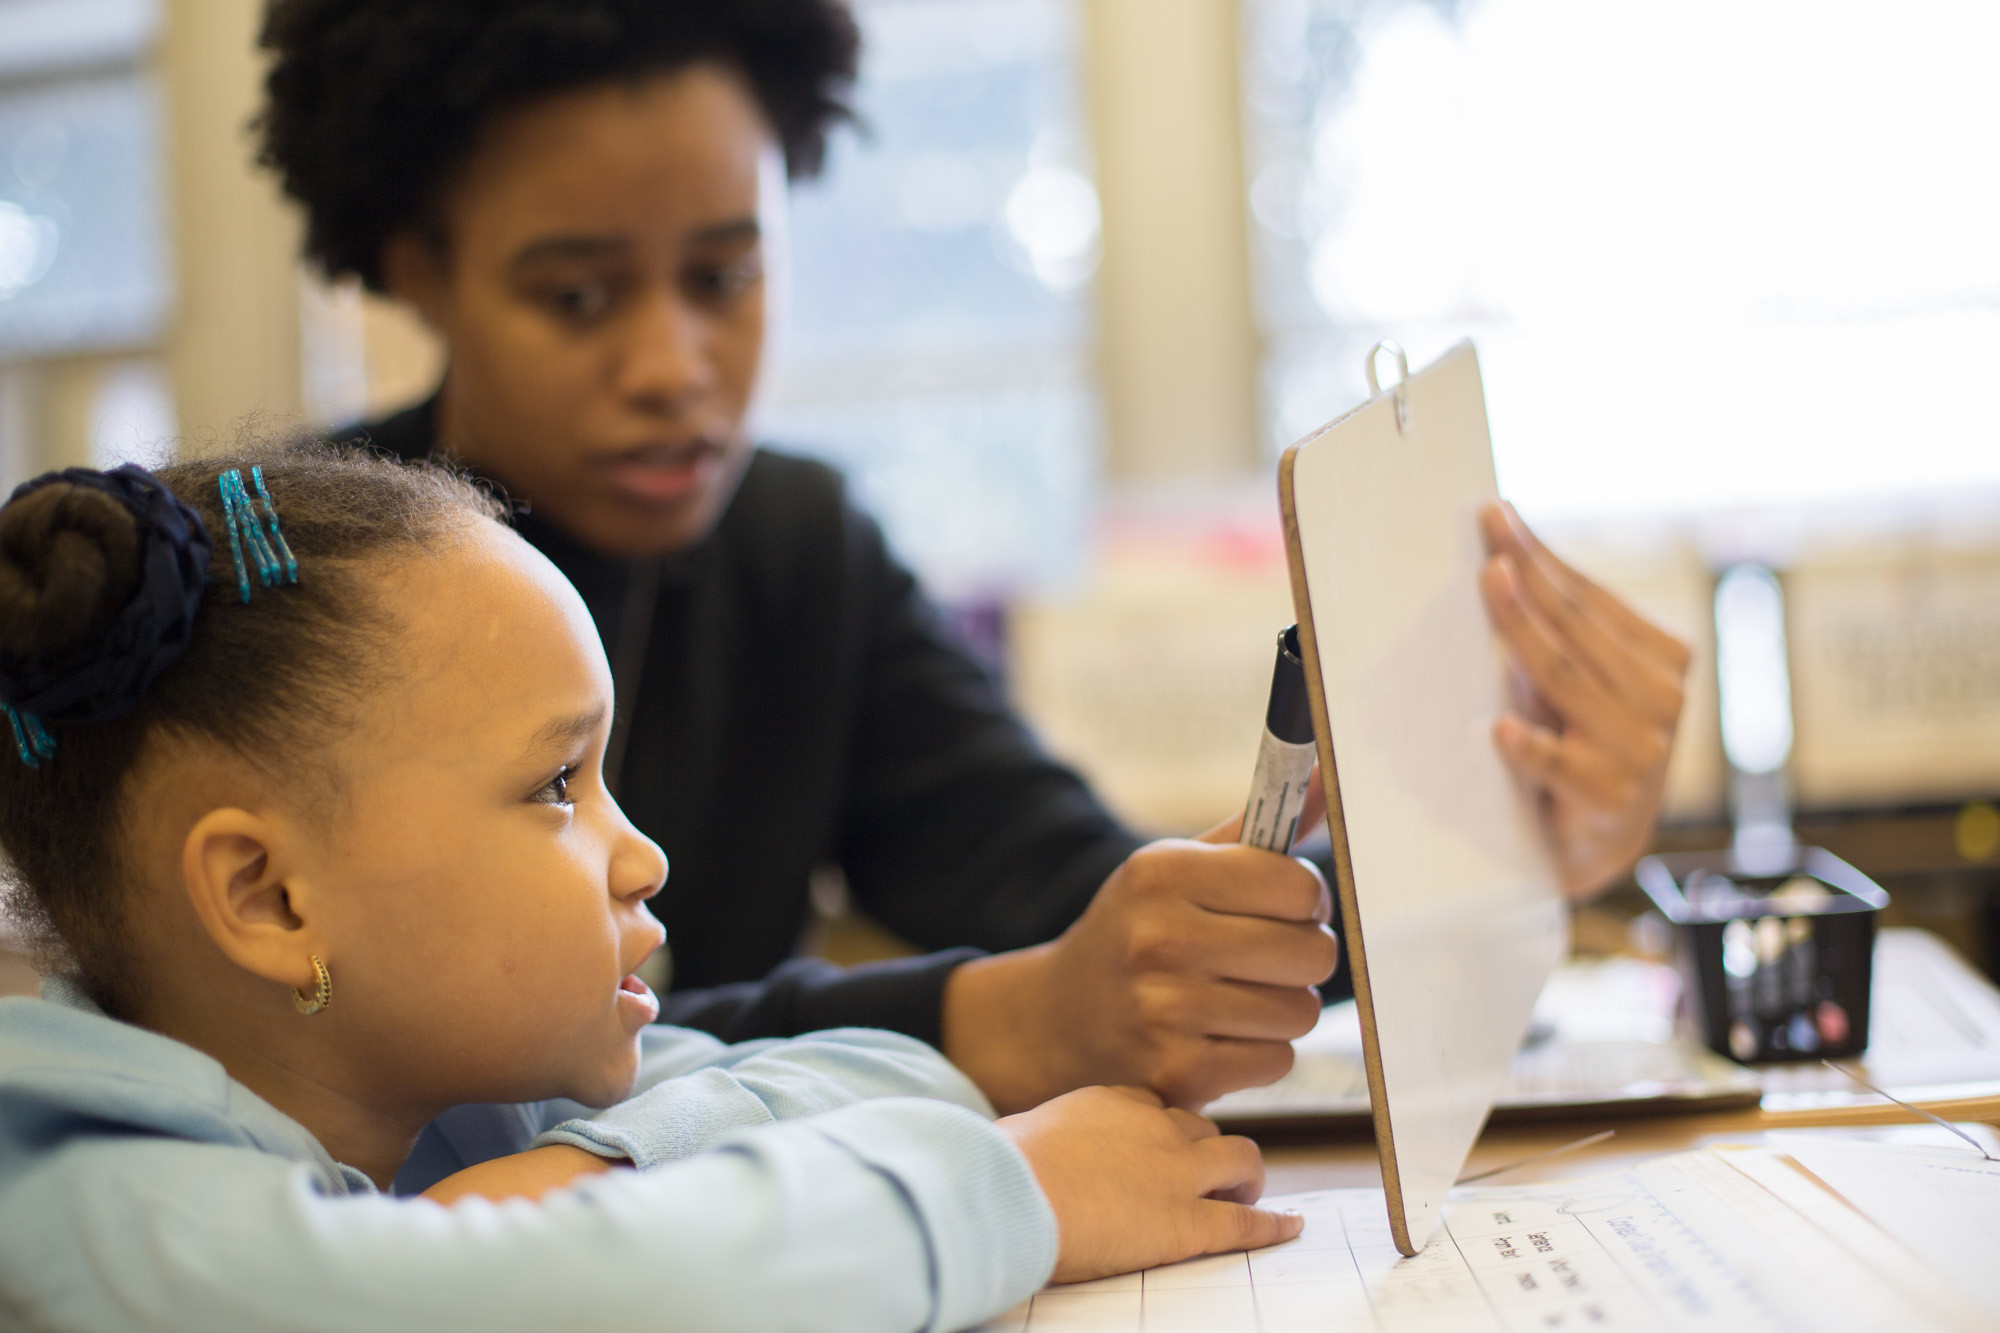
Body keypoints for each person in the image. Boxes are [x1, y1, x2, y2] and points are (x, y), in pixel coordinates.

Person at [256, 0, 1691, 1115]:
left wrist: (1490, 836)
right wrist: (1017, 1014)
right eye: (576, 294)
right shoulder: (298, 590)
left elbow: (1088, 905)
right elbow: (444, 1091)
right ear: (414, 262)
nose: (672, 367)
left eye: (726, 277)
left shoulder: (795, 550)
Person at [0, 447, 1303, 1330]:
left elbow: (810, 1073)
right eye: (556, 784)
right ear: (270, 898)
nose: (643, 853)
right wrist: (1015, 1190)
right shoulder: (88, 1220)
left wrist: (573, 1167)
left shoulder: (439, 1099)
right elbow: (614, 1293)